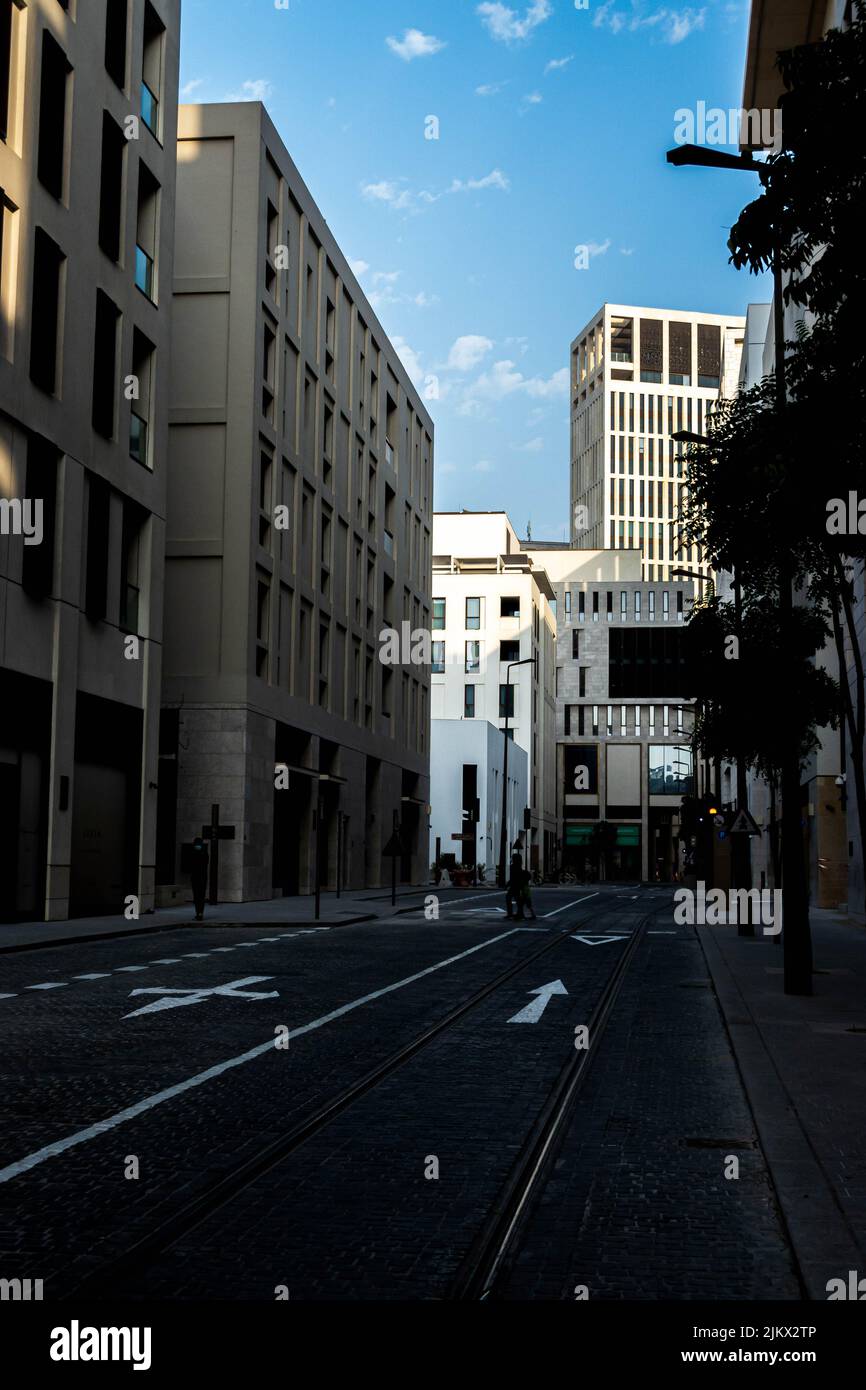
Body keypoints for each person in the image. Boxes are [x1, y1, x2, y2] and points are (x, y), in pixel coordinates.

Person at [190, 836, 209, 921]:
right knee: (201, 896)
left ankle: (198, 913)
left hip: (195, 877)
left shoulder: (192, 853)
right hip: (203, 877)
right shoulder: (205, 853)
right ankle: (200, 913)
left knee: (197, 896)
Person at [505, 851, 523, 918]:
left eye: (512, 858)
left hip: (514, 886)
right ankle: (519, 913)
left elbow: (513, 877)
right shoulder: (519, 867)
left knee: (509, 898)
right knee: (517, 899)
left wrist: (508, 884)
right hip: (517, 885)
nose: (511, 859)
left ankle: (511, 913)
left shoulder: (513, 867)